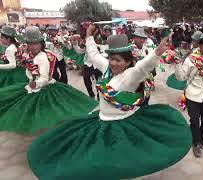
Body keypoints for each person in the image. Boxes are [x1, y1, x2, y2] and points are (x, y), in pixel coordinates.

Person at [27, 25, 191, 180]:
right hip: (102, 120)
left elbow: (144, 66)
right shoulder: (106, 68)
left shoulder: (131, 75)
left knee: (122, 161)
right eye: (112, 58)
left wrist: (158, 51)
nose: (113, 63)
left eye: (118, 60)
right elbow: (94, 55)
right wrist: (89, 36)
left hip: (123, 124)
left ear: (127, 62)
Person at [0, 26, 98, 133]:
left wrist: (36, 83)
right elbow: (27, 68)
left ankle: (53, 130)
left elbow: (44, 78)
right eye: (30, 44)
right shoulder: (28, 55)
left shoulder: (42, 57)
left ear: (41, 43)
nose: (33, 46)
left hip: (44, 87)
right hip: (33, 86)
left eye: (36, 43)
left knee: (54, 110)